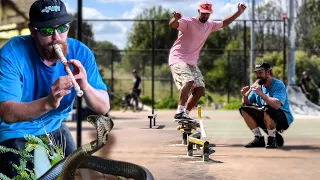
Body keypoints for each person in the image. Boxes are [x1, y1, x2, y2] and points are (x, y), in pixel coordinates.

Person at [0, 0, 109, 178]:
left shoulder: (81, 52)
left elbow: (103, 107)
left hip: (55, 125)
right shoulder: (12, 54)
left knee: (78, 174)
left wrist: (85, 86)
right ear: (33, 31)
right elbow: (7, 113)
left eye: (62, 28)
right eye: (48, 31)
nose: (57, 37)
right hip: (16, 130)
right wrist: (48, 102)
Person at [168, 1, 247, 121]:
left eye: (208, 14)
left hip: (192, 62)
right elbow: (174, 25)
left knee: (199, 89)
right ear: (199, 11)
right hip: (178, 58)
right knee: (188, 80)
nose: (205, 16)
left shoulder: (209, 25)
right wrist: (175, 19)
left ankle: (185, 114)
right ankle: (179, 111)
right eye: (203, 13)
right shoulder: (188, 22)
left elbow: (225, 23)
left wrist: (239, 12)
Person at [239, 62, 294, 148]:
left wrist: (261, 94)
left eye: (260, 72)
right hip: (266, 114)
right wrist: (245, 95)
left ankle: (272, 139)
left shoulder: (278, 85)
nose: (258, 75)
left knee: (268, 109)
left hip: (283, 118)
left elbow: (276, 105)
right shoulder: (258, 86)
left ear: (268, 72)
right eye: (256, 73)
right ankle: (258, 139)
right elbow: (246, 103)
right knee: (244, 109)